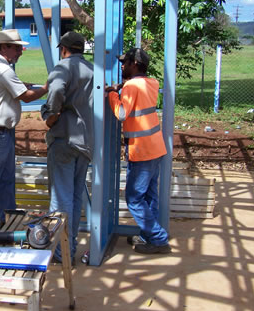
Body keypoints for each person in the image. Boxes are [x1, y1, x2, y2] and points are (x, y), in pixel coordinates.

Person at [0, 29, 48, 228]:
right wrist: (46, 88)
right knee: (1, 181)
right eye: (17, 48)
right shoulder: (4, 70)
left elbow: (9, 88)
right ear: (5, 47)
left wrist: (24, 85)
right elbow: (25, 96)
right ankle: (7, 223)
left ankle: (5, 222)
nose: (21, 52)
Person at [106, 48, 171, 254]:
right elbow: (136, 95)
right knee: (150, 197)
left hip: (141, 150)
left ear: (135, 63)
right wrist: (122, 88)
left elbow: (122, 113)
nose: (122, 65)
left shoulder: (131, 86)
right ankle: (147, 235)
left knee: (134, 199)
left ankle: (159, 239)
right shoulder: (151, 83)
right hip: (155, 147)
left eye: (125, 62)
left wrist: (111, 94)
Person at [41, 31, 94, 265]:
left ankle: (62, 254)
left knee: (60, 200)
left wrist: (50, 116)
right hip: (85, 142)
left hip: (64, 139)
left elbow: (55, 91)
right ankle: (68, 248)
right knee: (73, 197)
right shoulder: (93, 70)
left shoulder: (62, 67)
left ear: (63, 48)